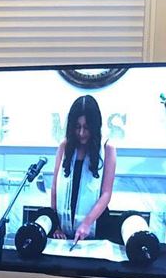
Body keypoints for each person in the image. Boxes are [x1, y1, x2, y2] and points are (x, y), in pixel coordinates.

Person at [50, 95, 117, 242]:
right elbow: (54, 187)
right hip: (63, 227)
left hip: (96, 226)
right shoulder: (64, 146)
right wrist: (56, 225)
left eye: (86, 128)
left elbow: (106, 193)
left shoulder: (108, 149)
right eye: (77, 127)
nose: (81, 133)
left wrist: (87, 223)